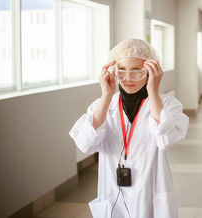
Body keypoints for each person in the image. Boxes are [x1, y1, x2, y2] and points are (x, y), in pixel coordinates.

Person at [69, 39, 189, 218]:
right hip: (113, 194)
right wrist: (106, 96)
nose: (128, 78)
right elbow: (86, 144)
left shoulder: (168, 105)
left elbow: (165, 140)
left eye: (136, 70)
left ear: (149, 71)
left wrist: (153, 91)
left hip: (151, 195)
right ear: (113, 71)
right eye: (122, 70)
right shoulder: (103, 106)